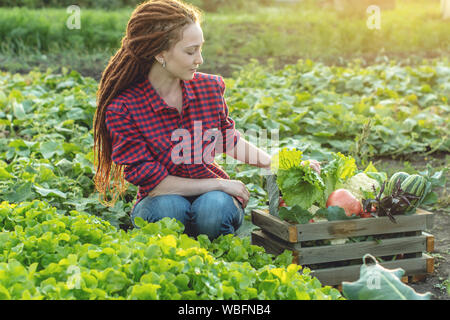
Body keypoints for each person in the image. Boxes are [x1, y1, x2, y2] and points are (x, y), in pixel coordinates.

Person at [93, 0, 320, 240]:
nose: (199, 59)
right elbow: (156, 184)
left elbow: (227, 141)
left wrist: (277, 164)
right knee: (170, 209)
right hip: (159, 200)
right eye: (191, 51)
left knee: (213, 209)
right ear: (159, 54)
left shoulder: (208, 87)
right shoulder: (124, 108)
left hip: (213, 200)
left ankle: (217, 264)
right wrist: (220, 184)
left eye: (201, 49)